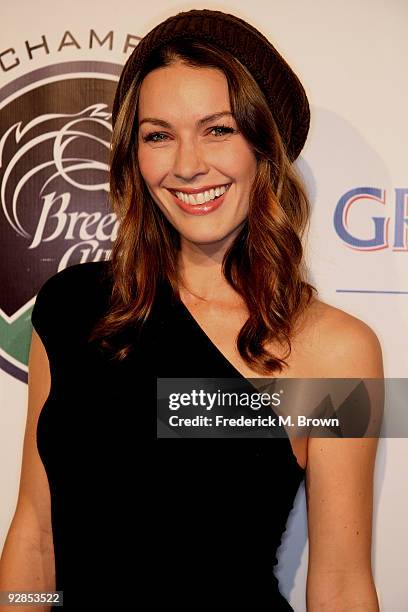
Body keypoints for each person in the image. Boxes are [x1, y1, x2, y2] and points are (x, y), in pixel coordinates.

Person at [0, 8, 383, 611]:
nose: (186, 164)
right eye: (158, 135)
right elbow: (36, 534)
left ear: (265, 145)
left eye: (219, 129)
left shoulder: (334, 348)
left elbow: (339, 581)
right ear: (134, 155)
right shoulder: (72, 307)